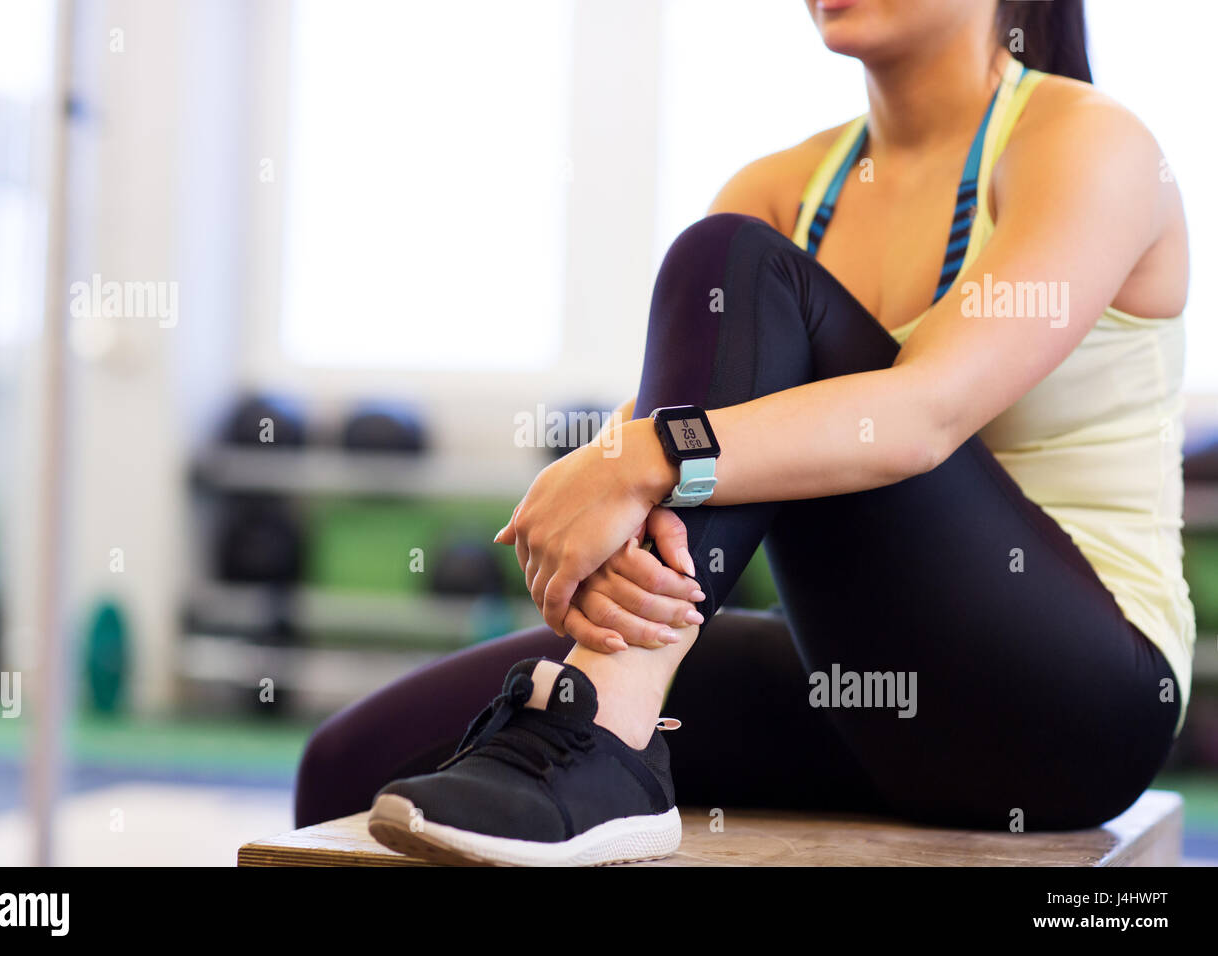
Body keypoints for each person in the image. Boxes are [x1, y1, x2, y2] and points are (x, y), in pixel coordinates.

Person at [295, 0, 1194, 866]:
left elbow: (919, 418)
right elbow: (658, 434)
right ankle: (604, 721)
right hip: (862, 688)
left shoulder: (1088, 144)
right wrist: (614, 502)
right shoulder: (785, 187)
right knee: (352, 764)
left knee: (732, 259)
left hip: (1072, 703)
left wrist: (637, 459)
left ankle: (608, 726)